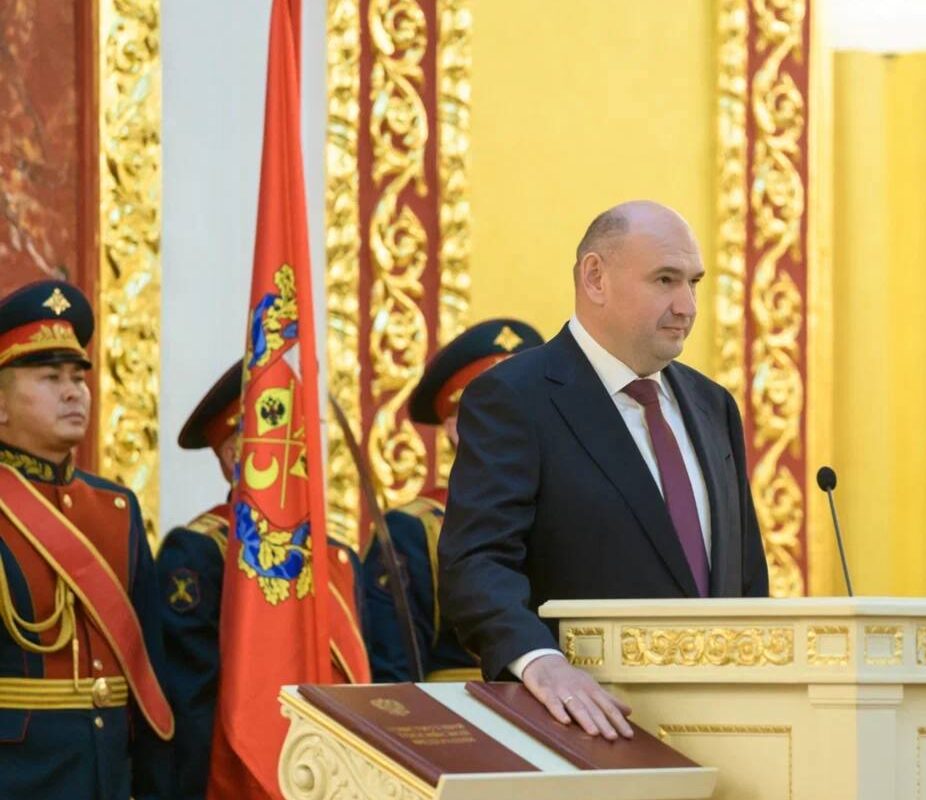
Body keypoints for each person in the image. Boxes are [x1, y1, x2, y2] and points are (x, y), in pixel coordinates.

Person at [439, 200, 769, 740]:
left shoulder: (713, 405)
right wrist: (538, 661)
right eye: (665, 280)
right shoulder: (515, 397)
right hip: (588, 727)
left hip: (729, 731)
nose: (686, 306)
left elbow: (747, 578)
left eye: (694, 283)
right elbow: (477, 561)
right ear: (595, 278)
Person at [157, 361, 365, 799]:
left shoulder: (336, 554)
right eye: (283, 431)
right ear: (234, 454)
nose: (302, 447)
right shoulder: (201, 551)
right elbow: (192, 700)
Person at [0, 280, 171, 798]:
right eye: (51, 378)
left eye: (78, 377)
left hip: (108, 774)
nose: (74, 391)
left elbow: (150, 671)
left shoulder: (116, 508)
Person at [363, 318, 544, 683]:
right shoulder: (413, 531)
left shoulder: (582, 512)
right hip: (462, 712)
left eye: (533, 410)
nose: (519, 425)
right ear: (455, 428)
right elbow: (395, 677)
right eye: (496, 413)